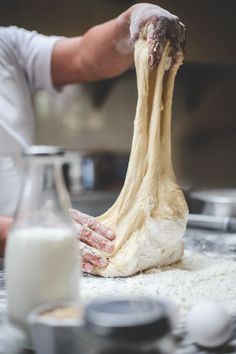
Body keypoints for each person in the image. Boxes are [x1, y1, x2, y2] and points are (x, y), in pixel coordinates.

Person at [0, 3, 185, 271]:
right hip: (30, 237)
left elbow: (84, 57)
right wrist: (15, 233)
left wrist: (131, 22)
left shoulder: (7, 45)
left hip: (35, 248)